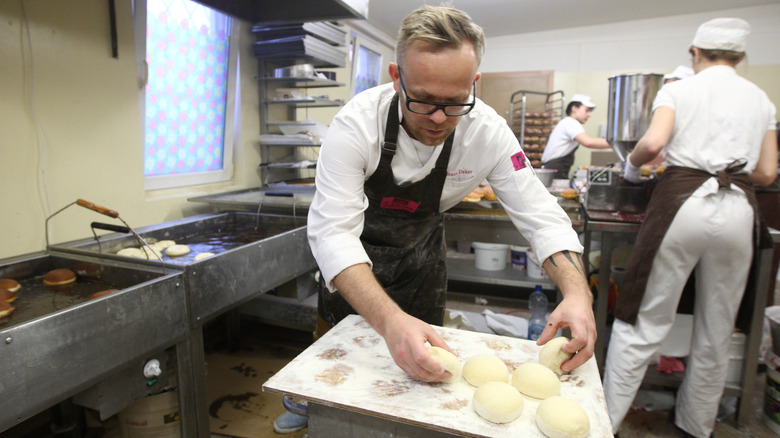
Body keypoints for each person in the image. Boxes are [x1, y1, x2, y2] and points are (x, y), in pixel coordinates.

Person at [273, 5, 599, 433]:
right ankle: (311, 403)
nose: (440, 118)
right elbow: (333, 233)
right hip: (356, 257)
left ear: (474, 83)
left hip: (422, 257)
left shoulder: (488, 133)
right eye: (423, 101)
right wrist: (389, 322)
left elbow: (541, 216)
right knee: (340, 366)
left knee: (427, 376)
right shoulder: (356, 125)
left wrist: (578, 293)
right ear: (395, 76)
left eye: (455, 102)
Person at [602, 17, 777, 438]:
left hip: (683, 204)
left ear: (695, 54)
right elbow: (768, 172)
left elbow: (654, 144)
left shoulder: (679, 89)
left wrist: (630, 166)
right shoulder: (761, 100)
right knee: (717, 326)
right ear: (741, 57)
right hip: (739, 209)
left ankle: (604, 422)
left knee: (644, 321)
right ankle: (697, 425)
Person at [541, 94, 611, 179]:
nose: (589, 115)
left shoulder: (567, 122)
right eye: (587, 110)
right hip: (555, 170)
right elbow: (588, 142)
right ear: (574, 108)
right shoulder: (570, 122)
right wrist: (616, 143)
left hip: (555, 169)